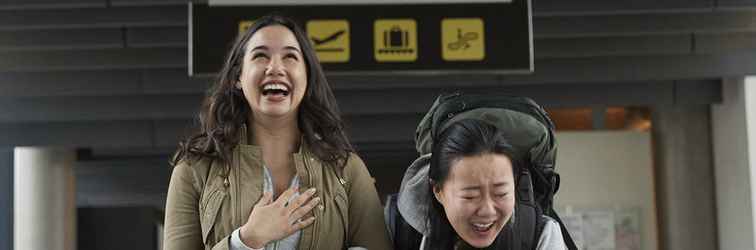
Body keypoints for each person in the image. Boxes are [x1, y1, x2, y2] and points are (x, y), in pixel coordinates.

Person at [163, 14, 392, 250]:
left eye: (290, 57)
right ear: (237, 78)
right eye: (261, 56)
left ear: (307, 76)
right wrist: (245, 240)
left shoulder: (347, 170)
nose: (275, 68)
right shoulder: (194, 170)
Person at [392, 118, 568, 250]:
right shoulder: (403, 234)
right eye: (470, 196)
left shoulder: (540, 235)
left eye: (501, 194)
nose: (487, 211)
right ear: (438, 191)